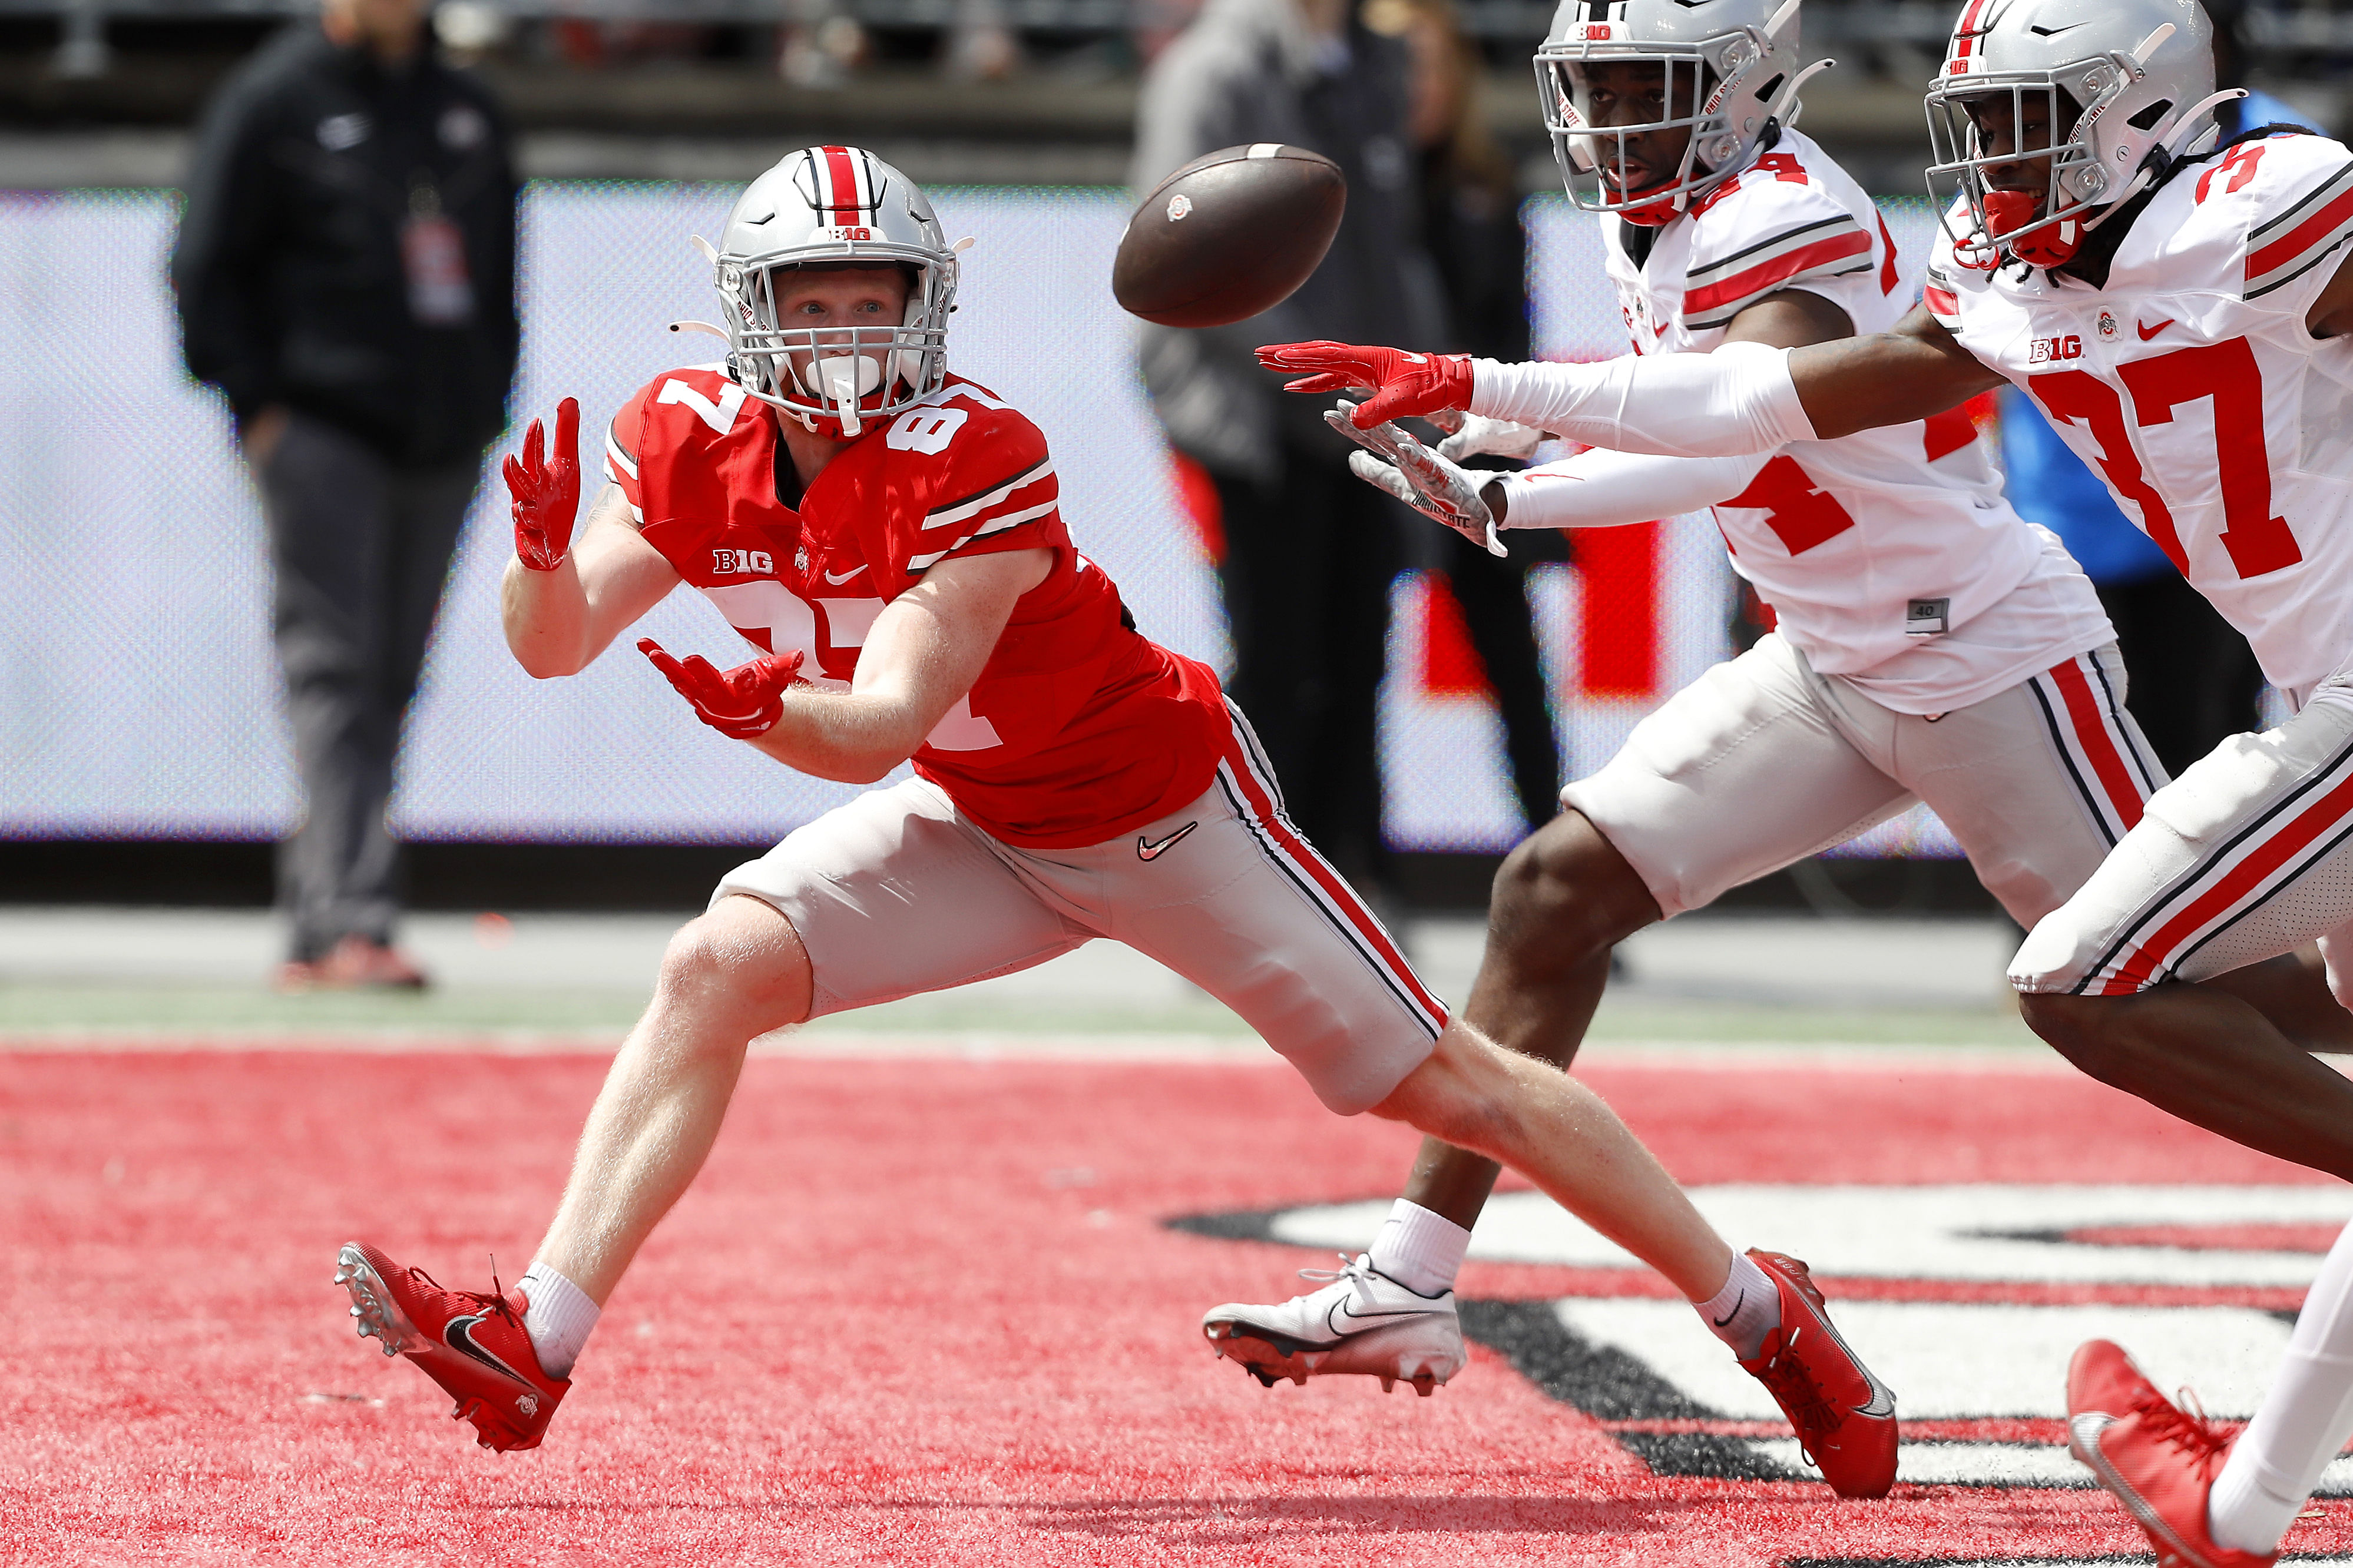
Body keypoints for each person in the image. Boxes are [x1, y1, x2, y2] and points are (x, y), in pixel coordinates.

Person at [326, 146, 1897, 1493]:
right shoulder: (685, 435)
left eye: (874, 293)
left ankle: (1763, 1312)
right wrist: (539, 554)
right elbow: (553, 641)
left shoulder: (977, 452)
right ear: (749, 310)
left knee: (1446, 1085)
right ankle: (537, 1341)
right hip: (984, 821)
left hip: (1158, 817)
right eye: (814, 296)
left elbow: (873, 718)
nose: (848, 326)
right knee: (710, 969)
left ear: (924, 302)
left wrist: (765, 711)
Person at [1254, 0, 2353, 1559]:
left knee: (2156, 986)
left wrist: (1477, 389)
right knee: (1554, 892)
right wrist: (1511, 480)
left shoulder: (2255, 195)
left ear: (2145, 111)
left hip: (1986, 658)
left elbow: (1732, 432)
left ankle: (2237, 1500)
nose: (1985, 163)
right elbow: (1751, 417)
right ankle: (1409, 1275)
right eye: (1978, 122)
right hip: (1837, 655)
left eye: (2029, 118)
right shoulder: (2001, 262)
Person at [171, 0, 519, 990]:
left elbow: (497, 280)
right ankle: (353, 916)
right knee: (335, 670)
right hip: (322, 429)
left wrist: (484, 401)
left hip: (442, 438)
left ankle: (318, 914)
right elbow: (202, 269)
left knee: (390, 679)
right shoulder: (272, 98)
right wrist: (264, 409)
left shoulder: (466, 107)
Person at [1132, 0, 1441, 894]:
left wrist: (1410, 381)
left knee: (1361, 657)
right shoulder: (1213, 68)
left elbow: (1398, 248)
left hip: (1366, 413)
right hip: (1260, 419)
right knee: (1275, 663)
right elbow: (1174, 248)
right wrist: (1313, 371)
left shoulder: (1379, 62)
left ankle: (1348, 882)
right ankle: (1246, 883)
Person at [1991, 0, 2309, 777]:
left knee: (2204, 760)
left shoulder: (2283, 159)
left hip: (2219, 521)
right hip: (2060, 508)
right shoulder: (2035, 154)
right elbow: (1939, 336)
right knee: (2061, 775)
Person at [1385, 0, 1567, 834]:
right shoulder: (1347, 189)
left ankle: (1556, 859)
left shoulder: (1487, 188)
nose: (1414, 84)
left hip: (1472, 454)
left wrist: (1497, 452)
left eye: (1428, 63)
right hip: (1373, 447)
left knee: (1514, 665)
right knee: (1343, 668)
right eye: (1397, 66)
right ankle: (1360, 872)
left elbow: (1514, 336)